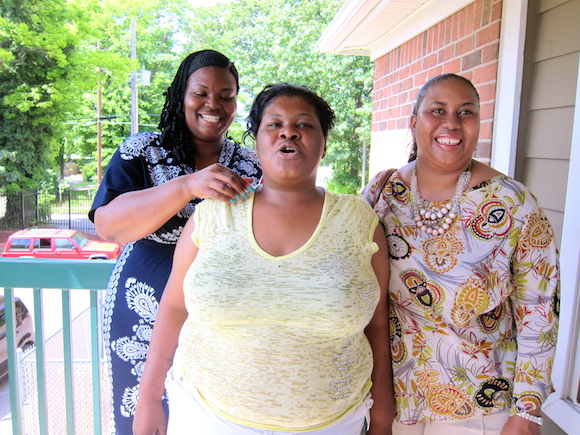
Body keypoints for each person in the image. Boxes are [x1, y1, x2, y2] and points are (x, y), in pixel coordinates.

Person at [133, 83, 395, 435]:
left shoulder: (359, 221)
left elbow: (377, 323)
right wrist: (148, 398)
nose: (289, 131)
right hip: (205, 417)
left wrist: (381, 416)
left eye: (305, 124)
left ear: (324, 145)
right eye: (274, 124)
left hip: (333, 423)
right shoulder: (212, 215)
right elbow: (173, 308)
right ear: (255, 142)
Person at [363, 73, 560, 435]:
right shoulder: (382, 193)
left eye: (465, 112)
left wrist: (528, 408)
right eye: (437, 110)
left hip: (480, 406)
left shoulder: (513, 202)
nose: (451, 123)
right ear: (413, 122)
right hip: (393, 402)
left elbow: (540, 306)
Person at [89, 49, 262, 434]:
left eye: (227, 95)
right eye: (201, 92)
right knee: (147, 414)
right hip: (145, 305)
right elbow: (109, 226)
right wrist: (186, 186)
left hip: (224, 309)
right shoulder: (142, 152)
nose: (213, 104)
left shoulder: (253, 164)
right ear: (181, 94)